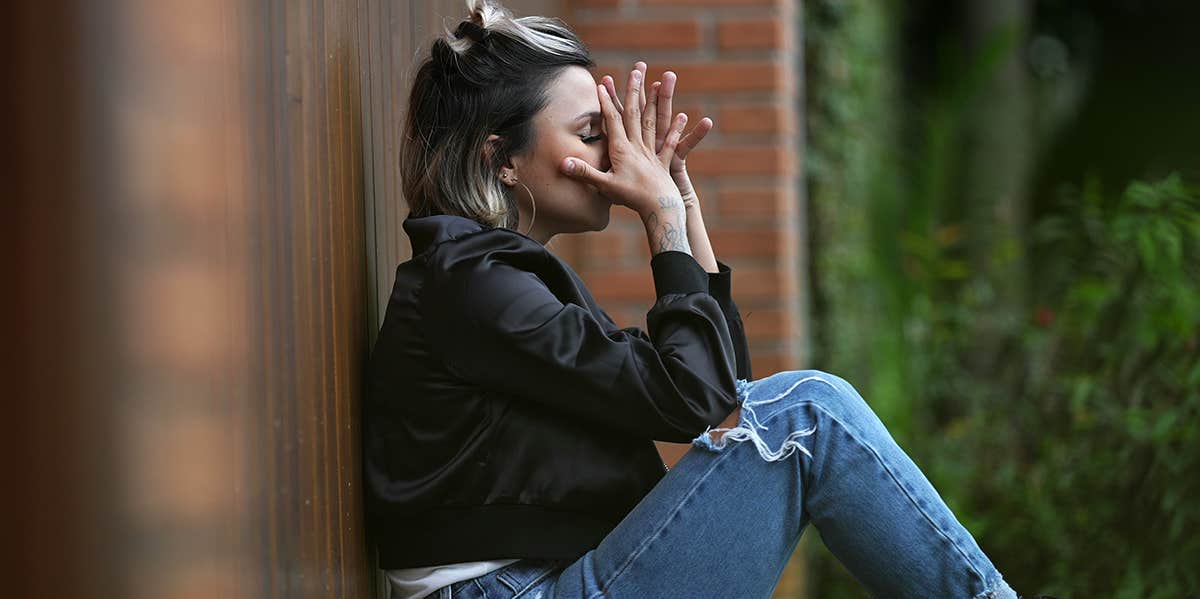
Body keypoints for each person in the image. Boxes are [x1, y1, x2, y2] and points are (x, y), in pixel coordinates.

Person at [363, 1, 1023, 597]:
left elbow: (722, 392)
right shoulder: (475, 286)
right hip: (516, 590)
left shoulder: (489, 279)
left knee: (794, 416)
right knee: (808, 417)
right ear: (500, 157)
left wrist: (682, 210)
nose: (620, 154)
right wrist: (660, 222)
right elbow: (693, 398)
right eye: (594, 131)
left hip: (545, 581)